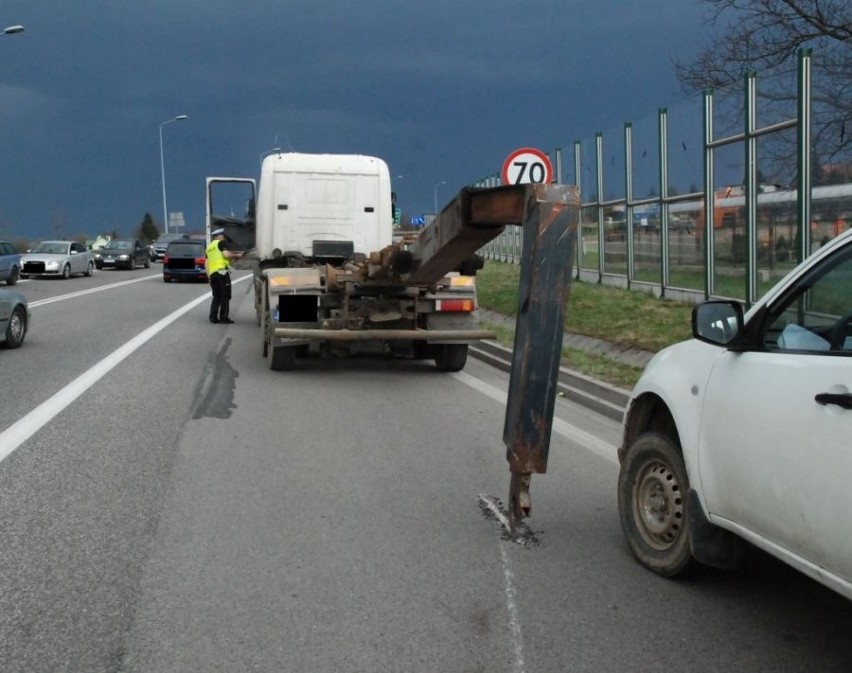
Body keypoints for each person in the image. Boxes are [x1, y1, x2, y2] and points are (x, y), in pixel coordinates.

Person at [206, 228, 243, 324]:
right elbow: (226, 255)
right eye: (223, 236)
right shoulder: (221, 243)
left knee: (216, 296)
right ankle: (224, 317)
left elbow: (206, 263)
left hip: (213, 274)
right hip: (222, 273)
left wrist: (209, 276)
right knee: (225, 295)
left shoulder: (209, 247)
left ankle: (213, 317)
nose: (223, 238)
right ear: (219, 236)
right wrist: (238, 256)